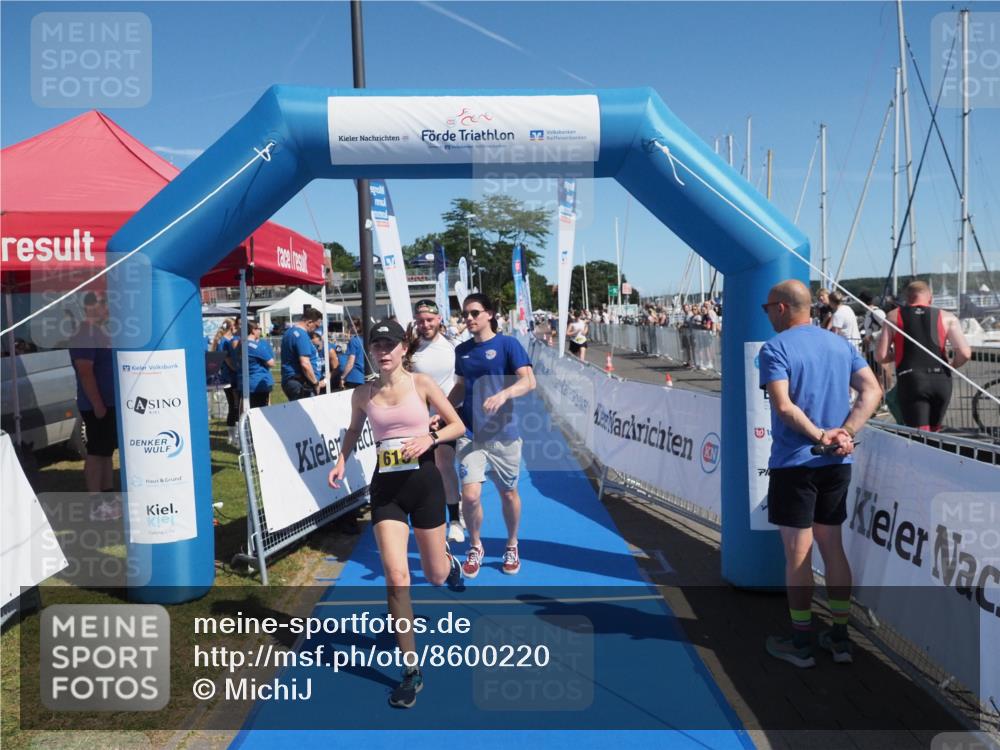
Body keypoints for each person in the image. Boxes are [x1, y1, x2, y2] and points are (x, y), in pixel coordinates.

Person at [327, 319, 464, 708]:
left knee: (435, 575)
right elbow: (354, 430)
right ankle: (411, 670)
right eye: (377, 346)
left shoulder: (422, 384)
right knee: (397, 576)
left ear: (404, 348)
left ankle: (448, 562)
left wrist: (430, 438)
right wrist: (341, 459)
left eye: (390, 345)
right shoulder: (363, 393)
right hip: (387, 491)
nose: (383, 351)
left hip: (425, 486)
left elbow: (457, 425)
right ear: (371, 351)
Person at [759, 280, 882, 668]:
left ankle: (801, 642)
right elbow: (872, 391)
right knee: (833, 547)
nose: (767, 314)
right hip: (836, 463)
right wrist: (845, 432)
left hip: (797, 462)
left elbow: (784, 407)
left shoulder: (775, 348)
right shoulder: (839, 344)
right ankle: (840, 637)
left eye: (767, 308)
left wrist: (822, 436)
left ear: (781, 308)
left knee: (798, 554)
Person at [447, 293, 535, 578]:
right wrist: (443, 411)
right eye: (465, 314)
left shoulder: (508, 345)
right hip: (470, 433)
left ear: (489, 314)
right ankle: (475, 546)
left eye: (474, 313)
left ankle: (512, 545)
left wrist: (503, 394)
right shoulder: (462, 350)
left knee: (508, 494)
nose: (469, 318)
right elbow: (461, 387)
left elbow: (529, 381)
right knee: (470, 496)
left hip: (504, 434)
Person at [875, 280, 971, 432]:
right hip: (941, 380)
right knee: (935, 431)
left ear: (907, 298)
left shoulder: (893, 316)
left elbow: (881, 356)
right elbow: (965, 353)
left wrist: (897, 355)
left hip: (912, 379)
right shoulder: (947, 317)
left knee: (920, 434)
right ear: (930, 298)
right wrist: (951, 366)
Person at [405, 299, 464, 544]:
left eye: (430, 320)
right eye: (420, 321)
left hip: (447, 414)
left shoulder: (454, 346)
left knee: (444, 464)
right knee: (421, 470)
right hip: (418, 416)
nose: (425, 325)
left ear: (439, 319)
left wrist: (445, 410)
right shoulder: (410, 348)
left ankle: (455, 520)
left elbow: (462, 382)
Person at [69, 292, 120, 521]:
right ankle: (96, 504)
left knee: (106, 452)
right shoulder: (84, 334)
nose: (108, 307)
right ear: (90, 306)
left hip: (109, 403)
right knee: (96, 453)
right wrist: (98, 404)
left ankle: (108, 499)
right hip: (96, 405)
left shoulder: (101, 332)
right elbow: (85, 372)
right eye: (104, 302)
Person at [280, 308, 323, 401]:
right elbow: (305, 363)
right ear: (309, 322)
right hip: (300, 383)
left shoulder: (289, 332)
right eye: (316, 326)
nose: (316, 329)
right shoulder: (301, 335)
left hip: (292, 381)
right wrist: (315, 383)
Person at [244, 321, 275, 408]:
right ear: (253, 330)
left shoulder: (241, 344)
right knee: (260, 411)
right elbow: (271, 363)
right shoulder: (254, 346)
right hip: (258, 384)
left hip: (247, 383)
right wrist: (264, 361)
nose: (260, 331)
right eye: (259, 329)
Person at [342, 317, 367, 390]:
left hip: (354, 378)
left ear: (358, 327)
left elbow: (350, 363)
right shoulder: (368, 340)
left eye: (351, 326)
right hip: (366, 377)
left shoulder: (354, 341)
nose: (349, 329)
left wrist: (343, 377)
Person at [309, 330, 329, 394]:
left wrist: (325, 381)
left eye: (312, 338)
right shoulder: (312, 351)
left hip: (330, 382)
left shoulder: (329, 350)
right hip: (318, 382)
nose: (310, 340)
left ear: (319, 338)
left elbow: (336, 368)